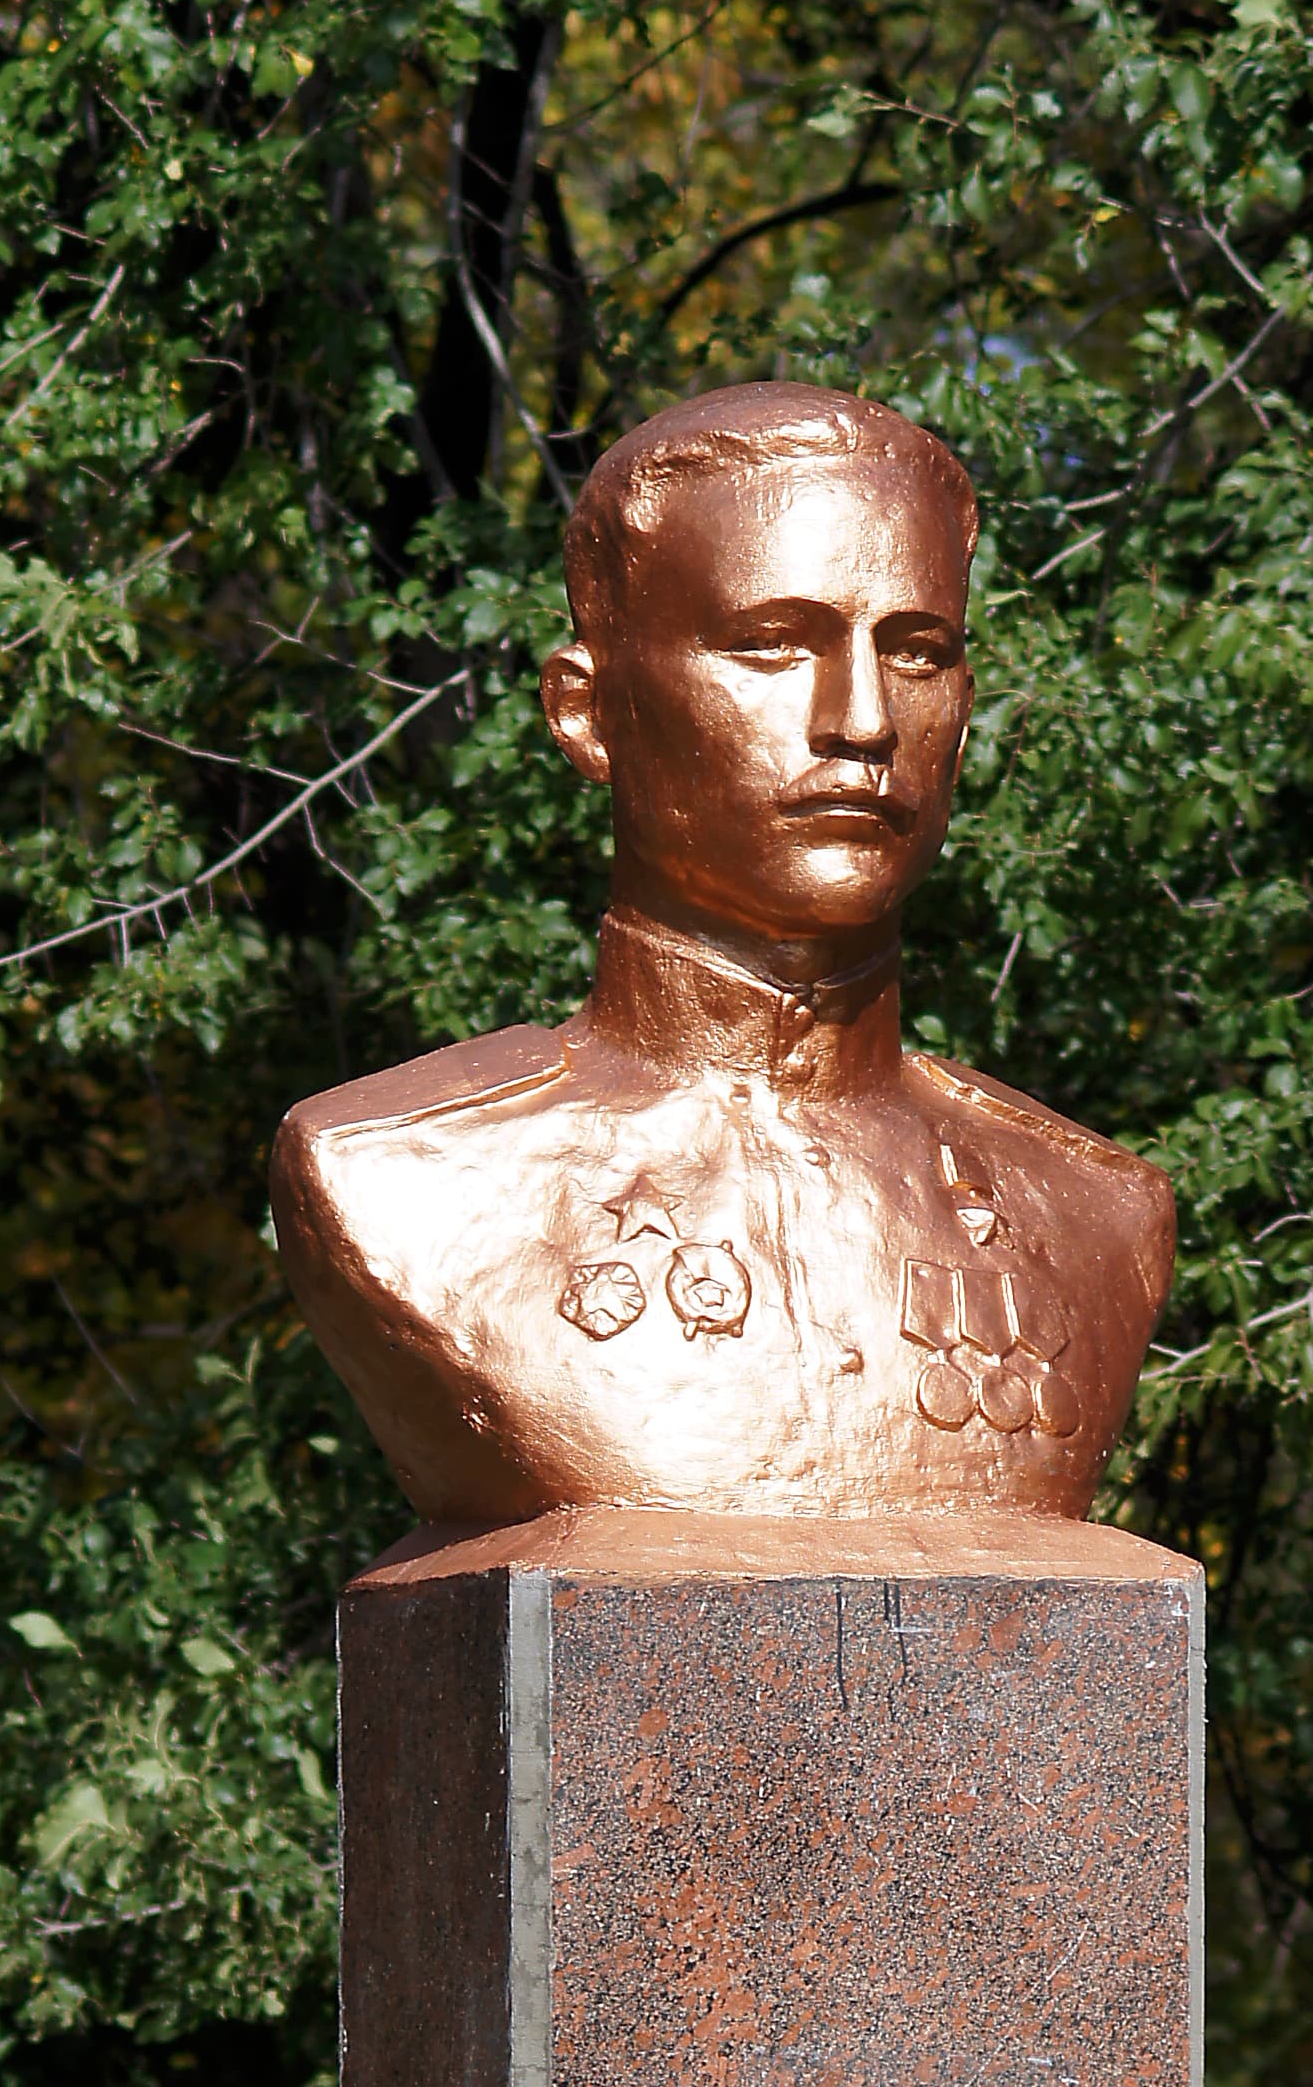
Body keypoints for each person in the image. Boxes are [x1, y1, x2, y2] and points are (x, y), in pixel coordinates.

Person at [271, 385, 1174, 1528]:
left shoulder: (1097, 1212)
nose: (860, 722)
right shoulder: (400, 1177)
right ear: (589, 713)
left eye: (915, 652)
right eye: (771, 645)